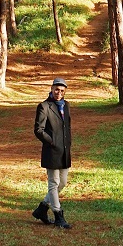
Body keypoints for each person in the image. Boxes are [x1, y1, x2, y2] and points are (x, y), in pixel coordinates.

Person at [32, 77, 72, 229]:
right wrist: (51, 141)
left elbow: (67, 127)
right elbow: (38, 130)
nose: (59, 93)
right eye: (56, 89)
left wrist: (68, 143)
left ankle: (42, 208)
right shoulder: (44, 106)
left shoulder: (66, 105)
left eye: (62, 90)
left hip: (64, 151)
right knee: (53, 183)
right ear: (51, 89)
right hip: (51, 151)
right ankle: (58, 215)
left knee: (62, 183)